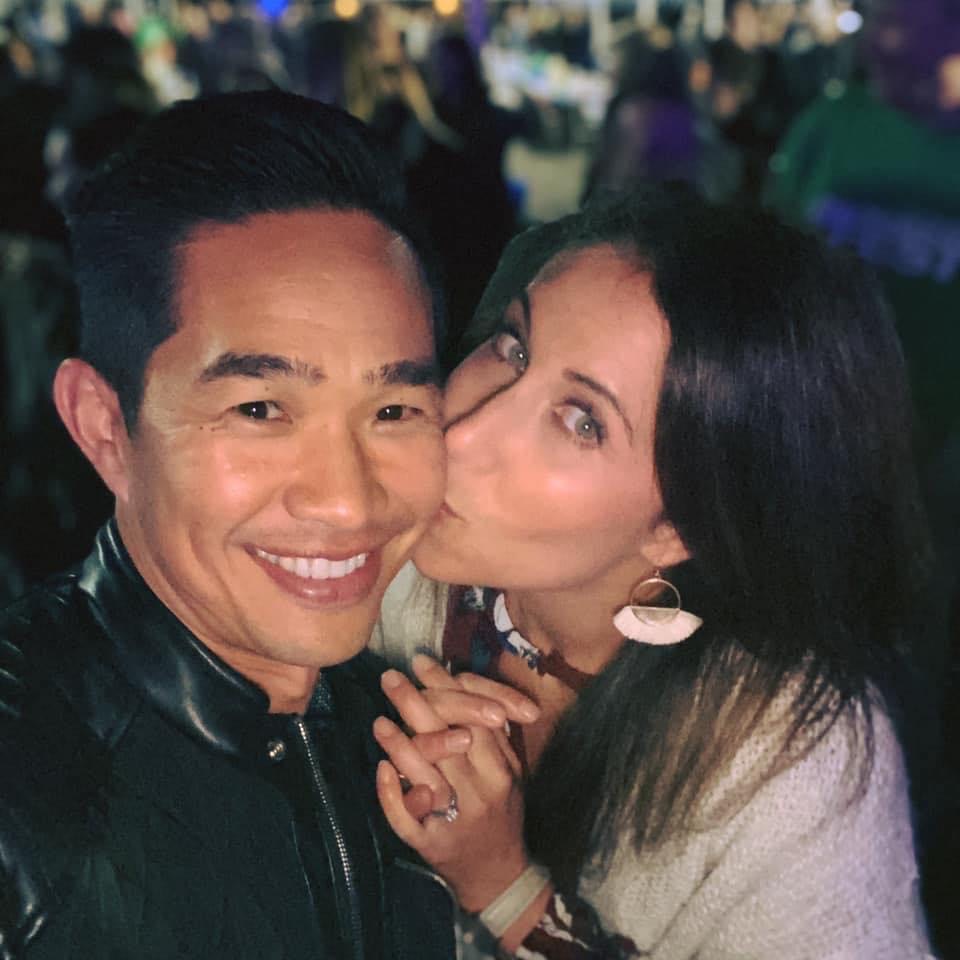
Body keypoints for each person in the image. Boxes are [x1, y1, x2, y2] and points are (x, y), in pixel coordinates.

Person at [369, 189, 935, 958]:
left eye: (582, 421)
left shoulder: (788, 761)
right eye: (513, 347)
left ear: (678, 528)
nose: (463, 434)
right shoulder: (383, 548)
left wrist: (505, 890)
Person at [0, 89, 470, 960]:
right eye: (260, 409)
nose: (347, 502)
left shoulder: (410, 739)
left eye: (394, 411)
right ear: (105, 429)